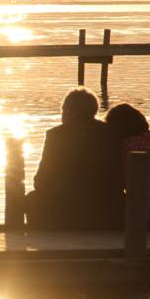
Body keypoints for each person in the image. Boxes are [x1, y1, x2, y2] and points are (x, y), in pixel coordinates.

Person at [25, 87, 124, 230]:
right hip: (105, 206)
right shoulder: (111, 132)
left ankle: (44, 236)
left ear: (70, 110)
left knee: (32, 198)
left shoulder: (56, 135)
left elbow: (42, 177)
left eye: (63, 109)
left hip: (66, 206)